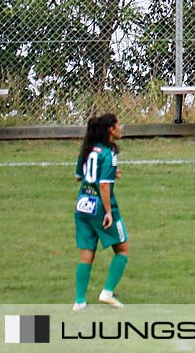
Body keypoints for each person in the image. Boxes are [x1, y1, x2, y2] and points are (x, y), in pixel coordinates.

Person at [72, 113, 130, 310]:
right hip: (101, 206)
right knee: (123, 250)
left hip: (82, 205)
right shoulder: (109, 153)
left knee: (86, 253)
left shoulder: (87, 150)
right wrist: (108, 212)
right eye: (118, 124)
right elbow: (104, 186)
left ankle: (79, 301)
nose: (121, 128)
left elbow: (80, 176)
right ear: (110, 130)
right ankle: (107, 292)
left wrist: (110, 173)